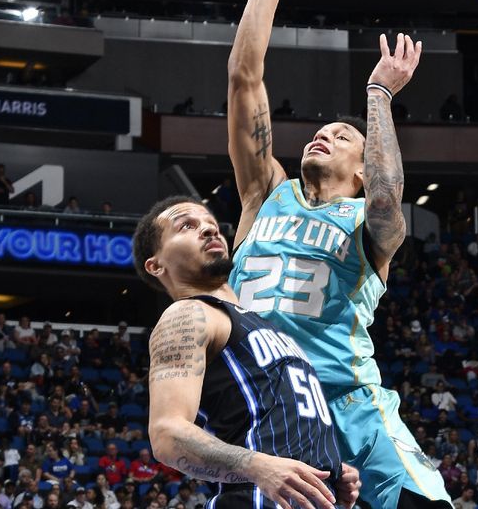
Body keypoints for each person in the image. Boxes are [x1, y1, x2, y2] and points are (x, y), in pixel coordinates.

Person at [224, 0, 450, 509]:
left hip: (350, 405)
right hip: (267, 406)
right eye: (322, 130)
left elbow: (386, 195)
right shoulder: (265, 194)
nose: (324, 133)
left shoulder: (369, 221)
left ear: (359, 169)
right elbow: (244, 78)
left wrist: (378, 94)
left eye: (342, 136)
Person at [132, 197, 360, 509]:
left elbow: (274, 420)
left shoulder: (262, 325)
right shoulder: (188, 315)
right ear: (156, 264)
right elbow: (167, 434)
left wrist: (328, 470)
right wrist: (258, 466)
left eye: (210, 224)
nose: (209, 230)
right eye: (187, 225)